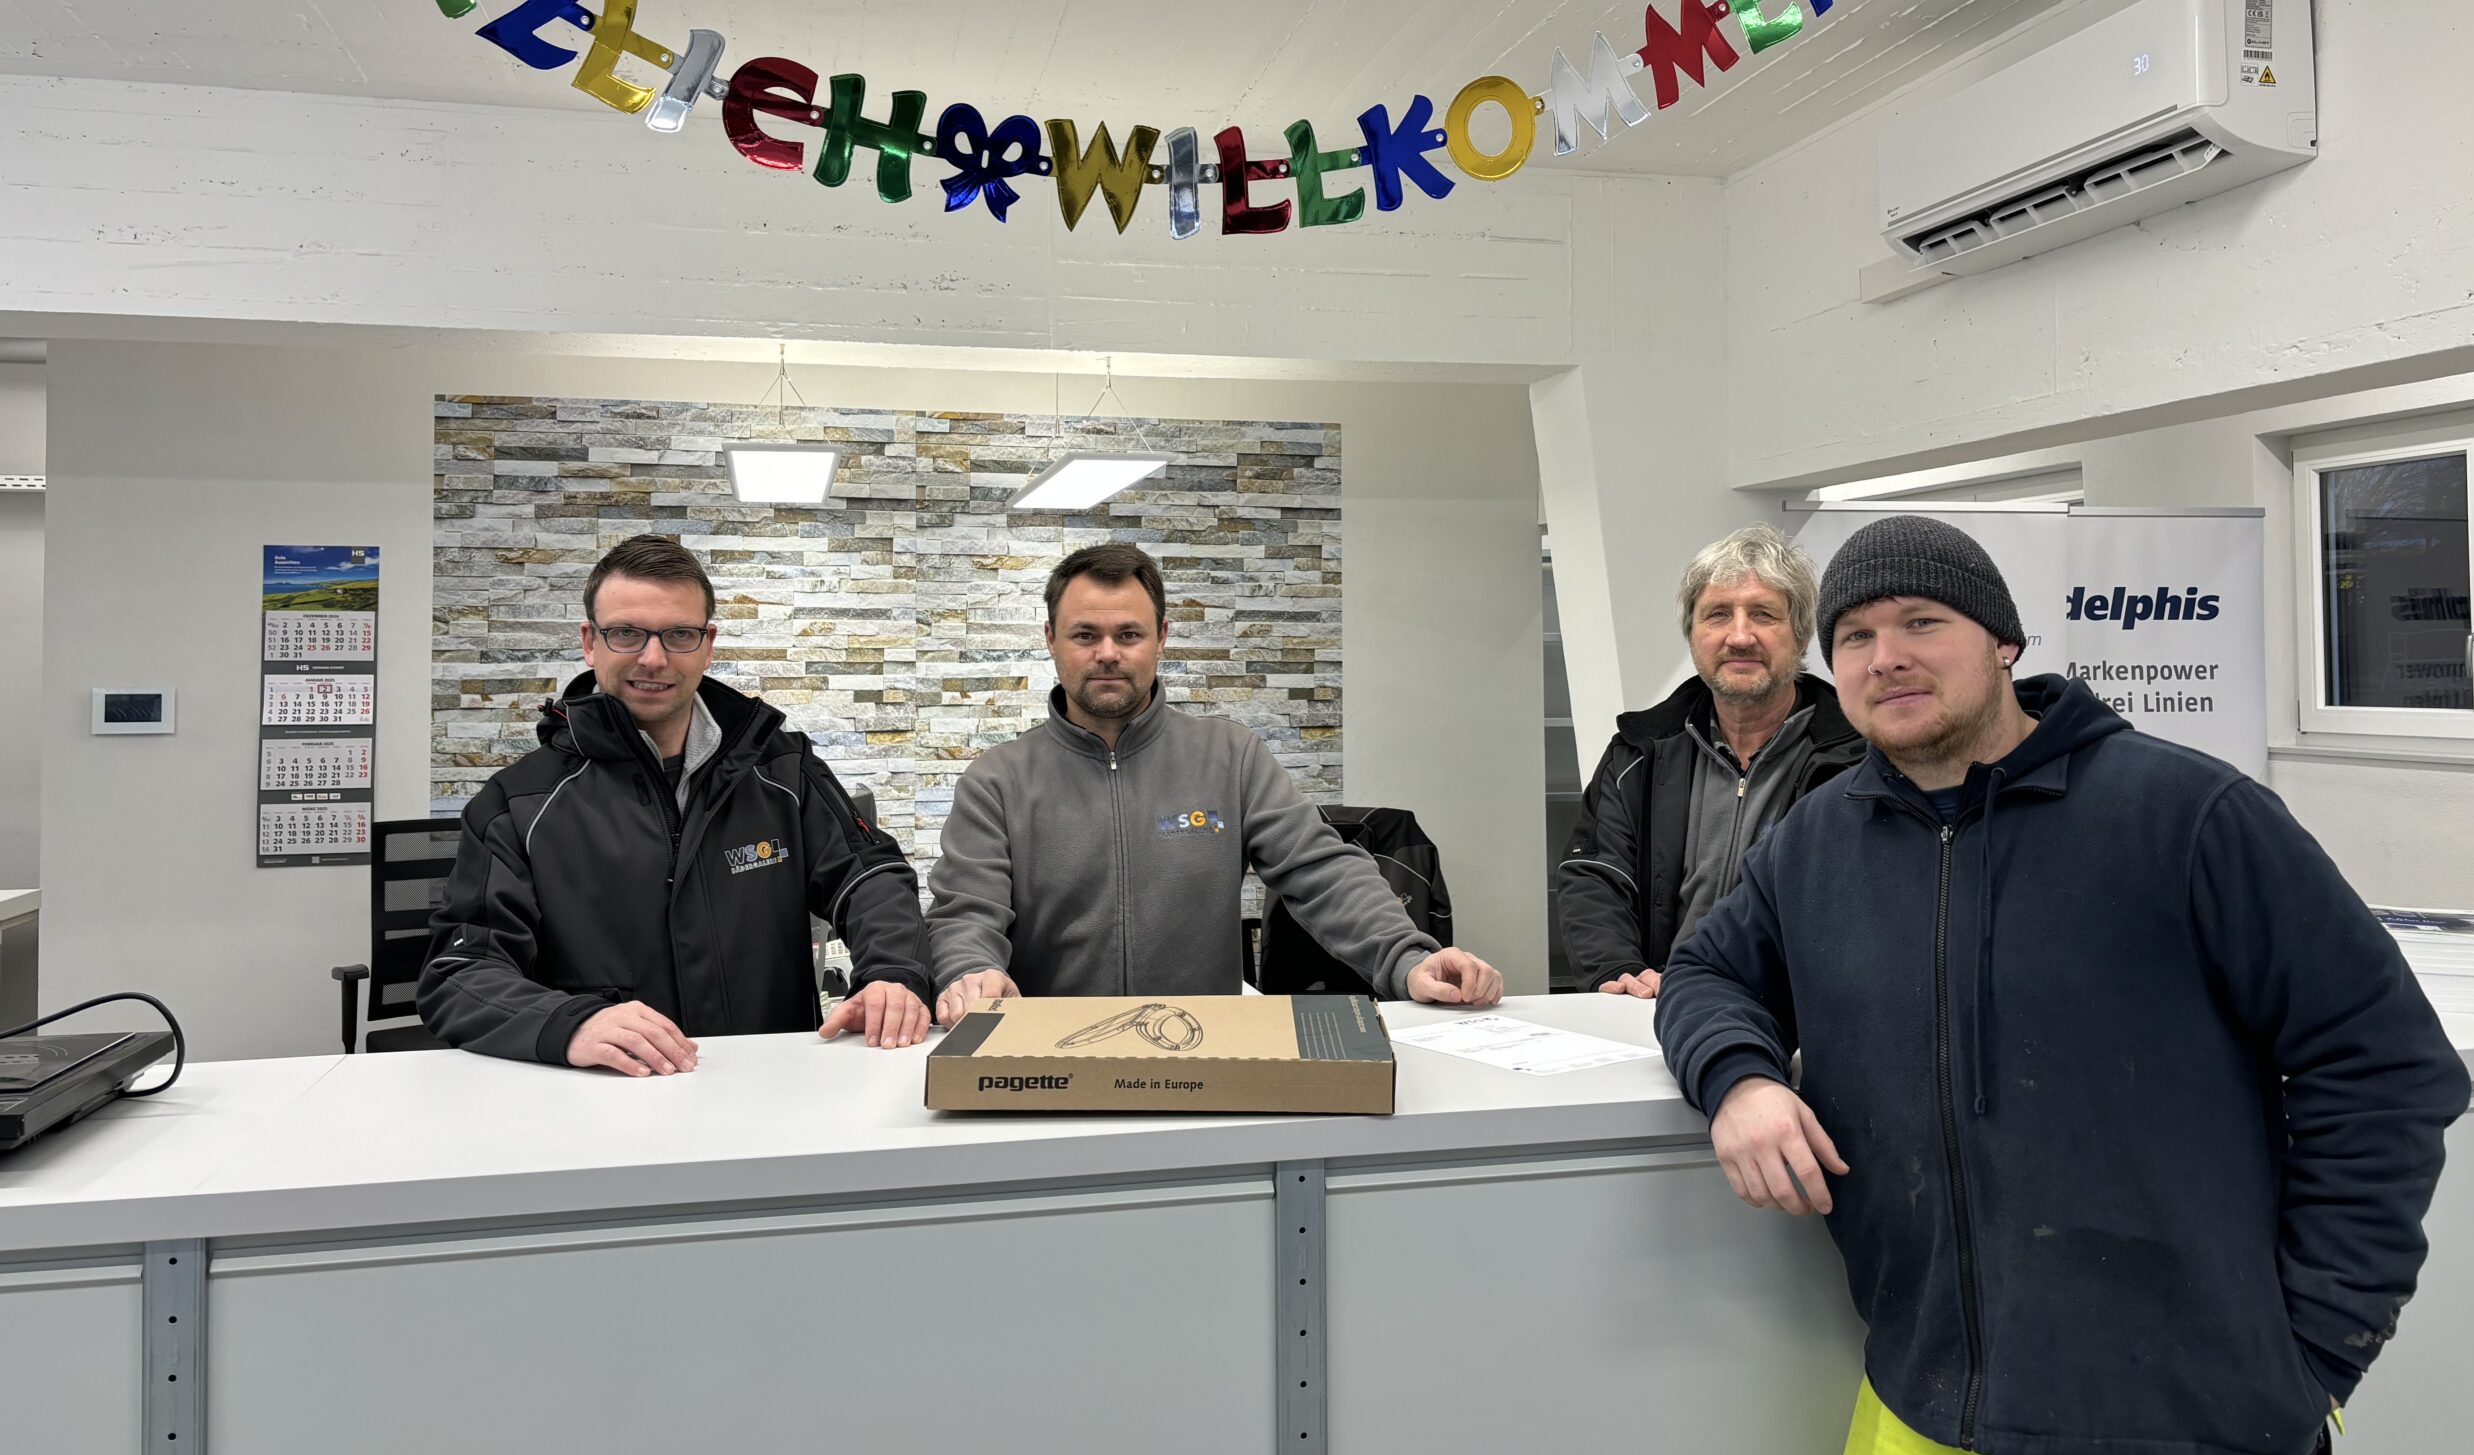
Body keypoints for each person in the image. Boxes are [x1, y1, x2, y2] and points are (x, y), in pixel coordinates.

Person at [1653, 514, 2468, 1455]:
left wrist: (2317, 1345)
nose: (1885, 656)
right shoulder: (1816, 842)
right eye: (1853, 637)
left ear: (2003, 641)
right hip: (1922, 1430)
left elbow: (2384, 1067)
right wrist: (1740, 1081)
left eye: (1921, 622)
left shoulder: (2189, 816)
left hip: (2183, 1450)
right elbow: (1705, 973)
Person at [420, 534, 934, 1074]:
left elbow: (869, 876)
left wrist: (894, 973)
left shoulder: (783, 770)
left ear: (707, 645)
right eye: (626, 633)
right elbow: (461, 971)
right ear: (590, 643)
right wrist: (569, 1024)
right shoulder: (517, 804)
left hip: (770, 1084)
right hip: (606, 1096)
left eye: (679, 635)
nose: (653, 658)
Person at [928, 541, 1502, 1022]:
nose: (1107, 653)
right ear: (1051, 638)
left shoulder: (1231, 758)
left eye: (1128, 635)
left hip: (1201, 1053)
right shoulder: (996, 781)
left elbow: (1322, 871)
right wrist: (970, 972)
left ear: (1161, 638)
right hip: (1050, 1059)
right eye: (1085, 635)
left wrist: (1407, 958)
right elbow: (966, 913)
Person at [1556, 524, 1861, 999]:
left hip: (1794, 1020)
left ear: (1801, 635)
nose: (1739, 637)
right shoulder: (1637, 753)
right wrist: (1619, 971)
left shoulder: (1860, 760)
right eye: (1718, 614)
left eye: (1763, 614)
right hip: (1653, 1007)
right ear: (1693, 634)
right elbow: (1597, 875)